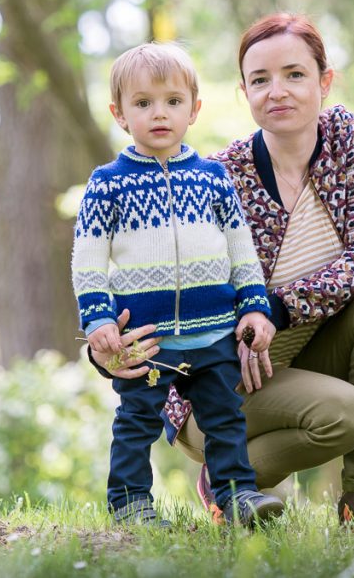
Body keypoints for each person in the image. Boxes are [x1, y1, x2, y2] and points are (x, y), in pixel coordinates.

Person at [94, 14, 354, 525]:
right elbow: (159, 273)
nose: (278, 92)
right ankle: (226, 484)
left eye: (295, 74)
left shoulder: (345, 140)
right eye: (261, 80)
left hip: (308, 350)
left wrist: (276, 309)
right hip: (225, 380)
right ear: (243, 90)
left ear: (324, 81)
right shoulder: (219, 176)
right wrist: (110, 341)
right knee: (347, 415)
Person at [73, 42, 284, 527]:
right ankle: (129, 501)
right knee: (138, 419)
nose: (159, 114)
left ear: (194, 108)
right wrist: (99, 317)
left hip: (213, 334)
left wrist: (255, 307)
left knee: (226, 418)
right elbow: (88, 260)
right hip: (147, 341)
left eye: (172, 101)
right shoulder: (108, 183)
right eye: (142, 103)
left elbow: (241, 252)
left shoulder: (213, 179)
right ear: (120, 114)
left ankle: (237, 497)